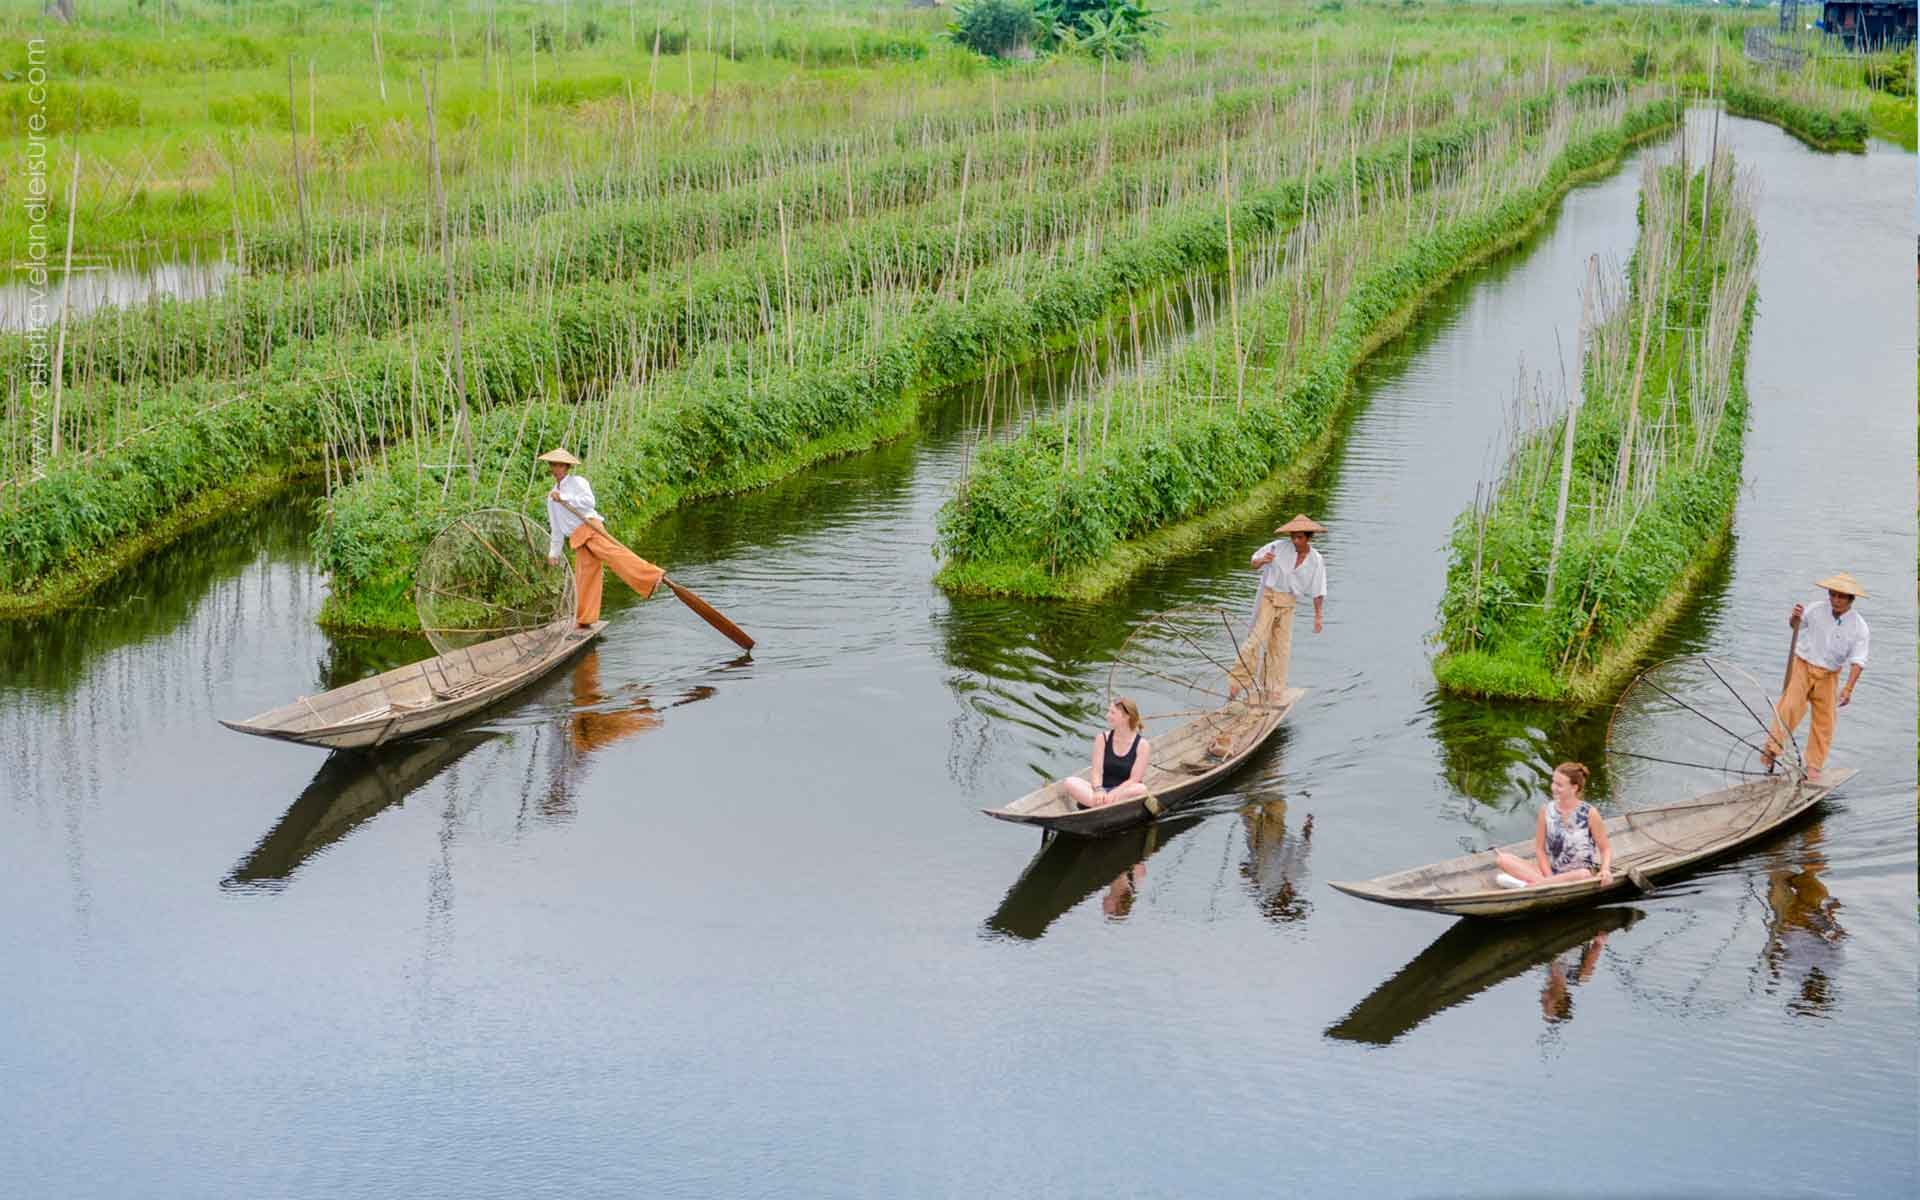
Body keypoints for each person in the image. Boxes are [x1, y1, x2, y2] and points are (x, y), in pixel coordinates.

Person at [539, 447, 665, 628]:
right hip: (577, 538)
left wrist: (565, 498)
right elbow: (556, 528)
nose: (556, 469)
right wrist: (554, 553)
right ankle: (585, 619)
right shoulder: (552, 497)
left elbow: (590, 502)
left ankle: (652, 577)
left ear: (567, 467)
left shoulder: (578, 482)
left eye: (559, 465)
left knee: (616, 557)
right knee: (585, 577)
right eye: (553, 465)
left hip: (590, 528)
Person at [1762, 573, 1868, 782]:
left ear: (1850, 600)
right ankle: (1771, 750)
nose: (1836, 600)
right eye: (1833, 595)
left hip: (1829, 674)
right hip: (1802, 664)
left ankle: (1814, 766)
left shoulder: (1859, 627)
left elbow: (1858, 661)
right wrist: (1794, 617)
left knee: (1825, 721)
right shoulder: (1815, 609)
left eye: (1841, 597)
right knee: (1789, 707)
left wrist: (1848, 689)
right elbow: (1795, 627)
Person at [1227, 513, 1326, 704]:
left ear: (1308, 537)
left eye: (1300, 537)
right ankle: (1237, 683)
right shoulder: (1277, 547)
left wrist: (1318, 616)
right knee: (1255, 641)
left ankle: (1274, 687)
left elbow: (1318, 590)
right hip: (1269, 598)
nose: (1295, 541)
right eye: (1293, 537)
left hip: (1288, 604)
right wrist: (1263, 560)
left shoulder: (1316, 560)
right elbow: (1253, 563)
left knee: (1280, 647)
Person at [1493, 762, 1613, 889]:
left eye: (1559, 785)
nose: (1553, 787)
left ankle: (1527, 886)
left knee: (1583, 874)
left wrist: (1605, 870)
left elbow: (1605, 849)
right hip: (1552, 873)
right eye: (1553, 782)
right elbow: (1540, 849)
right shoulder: (1546, 810)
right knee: (1503, 859)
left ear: (1574, 788)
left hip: (1580, 877)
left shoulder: (1589, 813)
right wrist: (1550, 878)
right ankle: (1544, 884)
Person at [1061, 697, 1152, 810]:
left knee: (1140, 789)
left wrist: (1115, 793)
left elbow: (1134, 779)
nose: (1107, 716)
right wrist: (1099, 790)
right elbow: (1096, 772)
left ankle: (1094, 805)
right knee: (1069, 782)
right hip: (1101, 792)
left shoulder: (1142, 745)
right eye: (1109, 712)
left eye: (1112, 713)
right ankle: (1100, 804)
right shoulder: (1102, 738)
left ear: (1126, 717)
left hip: (1123, 793)